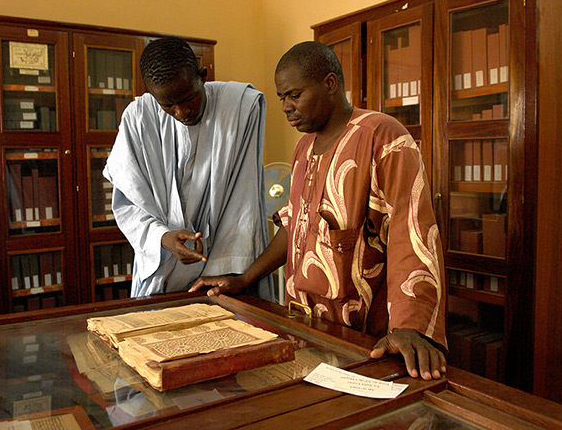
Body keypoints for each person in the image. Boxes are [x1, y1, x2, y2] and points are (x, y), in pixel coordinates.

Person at [191, 41, 447, 380]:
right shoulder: (303, 147)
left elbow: (411, 231)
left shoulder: (382, 136)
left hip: (363, 340)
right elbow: (294, 224)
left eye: (294, 95)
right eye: (282, 97)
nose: (286, 107)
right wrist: (245, 279)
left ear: (330, 84)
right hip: (306, 331)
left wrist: (411, 326)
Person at [104, 36, 272, 299]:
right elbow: (128, 202)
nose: (182, 112)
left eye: (188, 98)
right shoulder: (138, 118)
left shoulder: (239, 107)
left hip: (224, 274)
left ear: (202, 76)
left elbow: (244, 199)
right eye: (168, 105)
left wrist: (225, 268)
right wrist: (163, 237)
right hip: (162, 268)